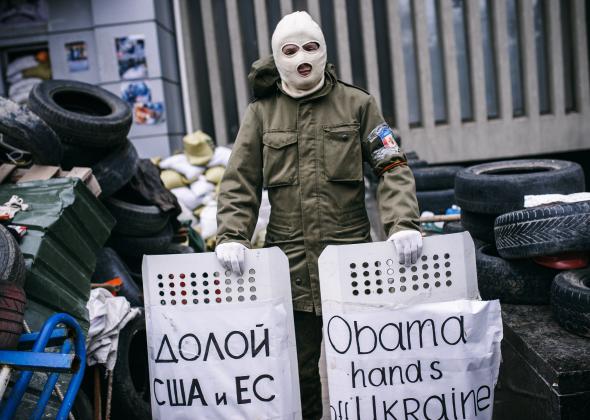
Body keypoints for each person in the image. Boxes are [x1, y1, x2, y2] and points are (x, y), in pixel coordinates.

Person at [215, 11, 422, 419]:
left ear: (324, 50)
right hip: (289, 268)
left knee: (365, 368)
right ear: (277, 59)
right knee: (297, 373)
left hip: (352, 266)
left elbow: (391, 166)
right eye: (290, 51)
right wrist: (231, 236)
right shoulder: (261, 113)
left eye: (310, 47)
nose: (302, 58)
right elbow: (240, 180)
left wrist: (402, 224)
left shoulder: (357, 104)